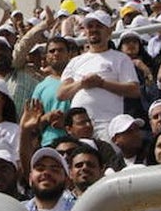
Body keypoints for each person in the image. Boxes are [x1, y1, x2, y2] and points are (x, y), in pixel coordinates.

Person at [57, 10, 140, 141]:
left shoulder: (121, 59)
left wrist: (102, 84)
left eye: (99, 26)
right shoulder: (75, 61)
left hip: (107, 124)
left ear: (109, 31)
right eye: (90, 26)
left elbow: (134, 90)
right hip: (79, 127)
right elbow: (61, 94)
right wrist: (82, 84)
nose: (93, 30)